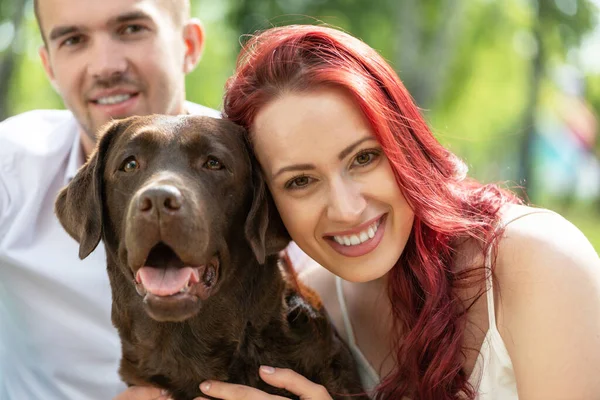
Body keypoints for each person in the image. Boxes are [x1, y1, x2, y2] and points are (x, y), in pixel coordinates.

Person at [190, 25, 600, 400]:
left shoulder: (538, 263)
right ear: (265, 204)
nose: (347, 210)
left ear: (405, 143)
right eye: (300, 182)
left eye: (364, 158)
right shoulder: (314, 316)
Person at [0, 0, 219, 399]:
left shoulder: (261, 170)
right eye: (73, 39)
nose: (105, 66)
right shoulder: (10, 170)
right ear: (49, 65)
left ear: (188, 44)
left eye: (131, 28)